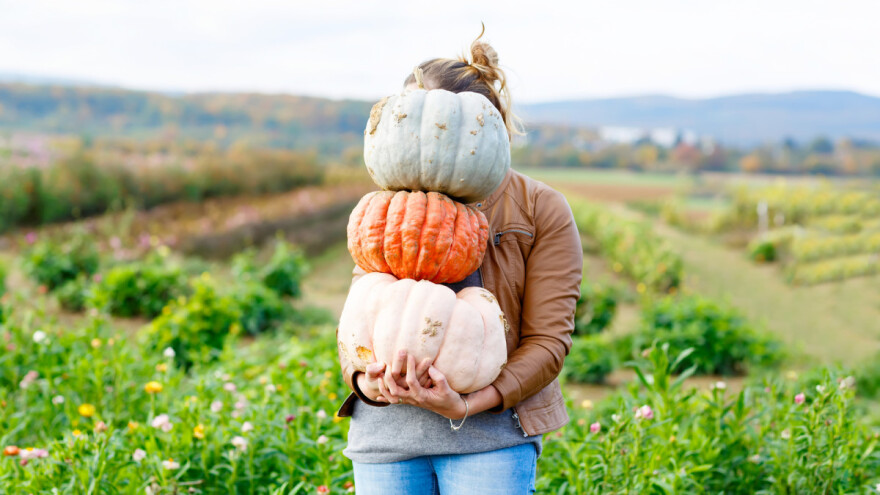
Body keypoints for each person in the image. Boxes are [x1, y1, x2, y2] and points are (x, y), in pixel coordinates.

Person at [335, 28, 583, 495]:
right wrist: (366, 383)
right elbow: (355, 324)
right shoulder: (387, 207)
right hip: (384, 438)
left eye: (439, 126)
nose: (422, 135)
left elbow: (549, 340)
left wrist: (468, 404)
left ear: (485, 127)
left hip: (489, 440)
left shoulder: (539, 208)